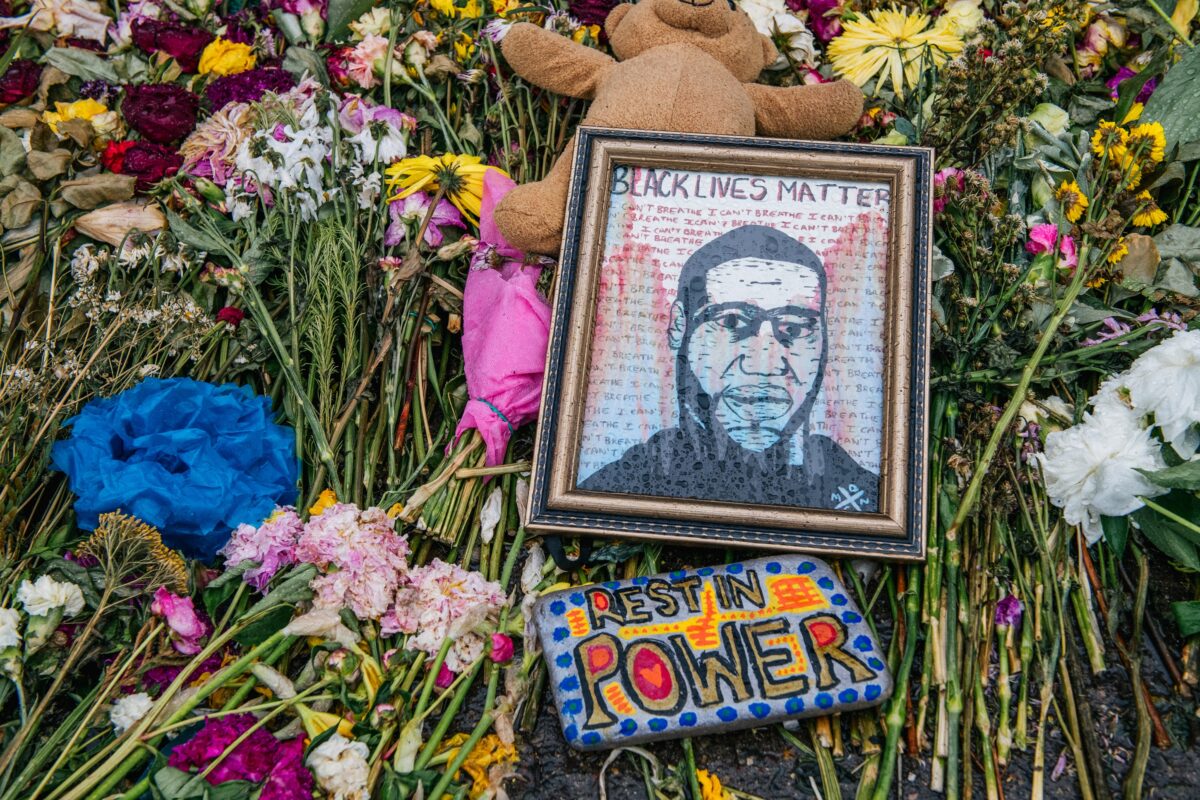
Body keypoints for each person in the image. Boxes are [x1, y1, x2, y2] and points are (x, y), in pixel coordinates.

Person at [579, 224, 878, 512]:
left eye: (795, 330)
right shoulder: (622, 489)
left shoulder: (857, 494)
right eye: (732, 322)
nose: (766, 364)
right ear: (679, 327)